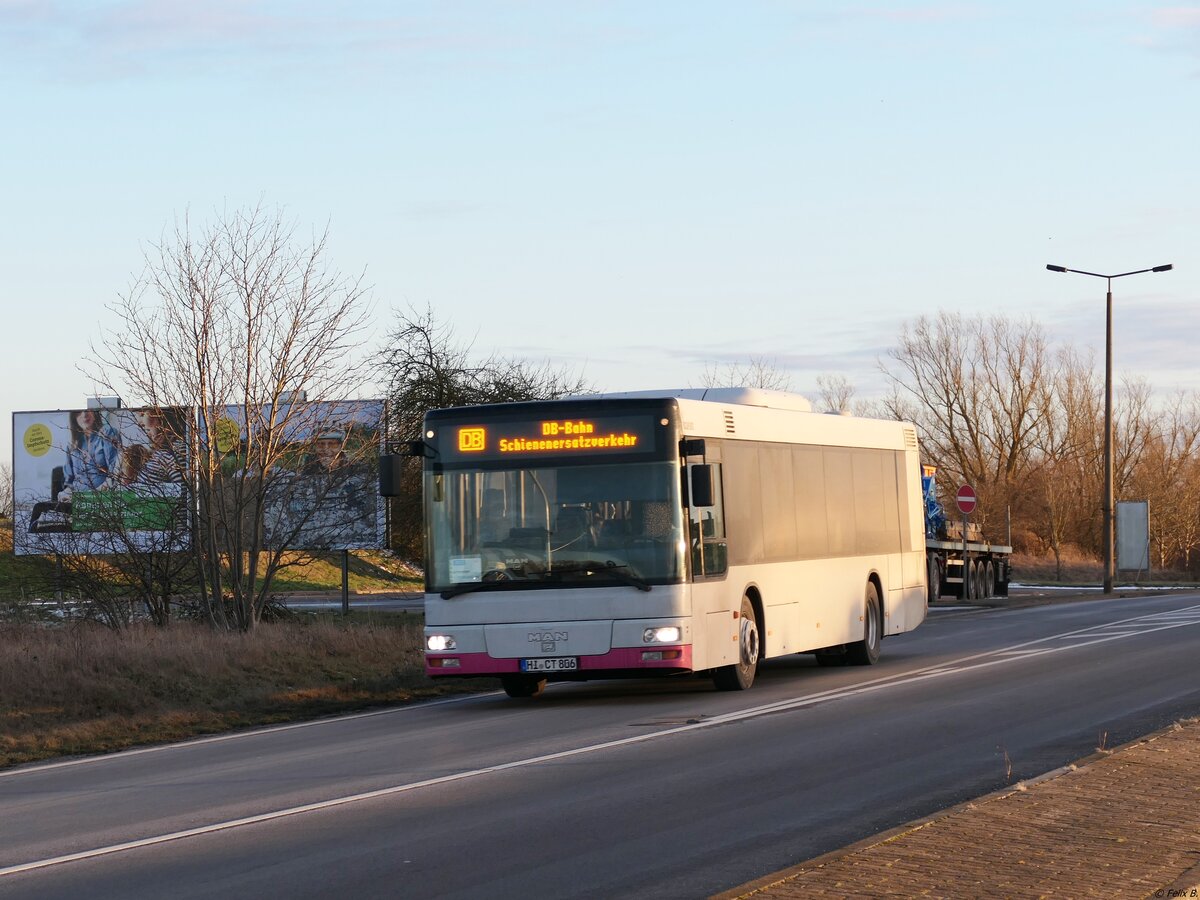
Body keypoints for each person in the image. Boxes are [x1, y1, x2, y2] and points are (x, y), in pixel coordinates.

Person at [60, 408, 121, 501]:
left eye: (88, 410)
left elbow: (114, 474)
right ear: (74, 418)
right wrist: (66, 494)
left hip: (103, 498)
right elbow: (69, 482)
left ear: (95, 413)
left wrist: (91, 496)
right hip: (77, 500)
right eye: (78, 412)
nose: (84, 415)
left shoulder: (108, 432)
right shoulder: (72, 443)